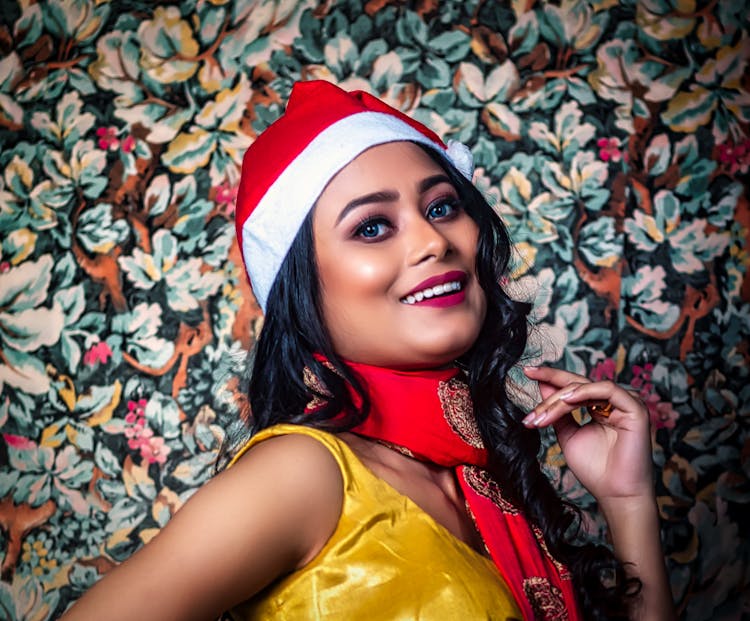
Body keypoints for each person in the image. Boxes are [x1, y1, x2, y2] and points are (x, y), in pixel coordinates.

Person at [62, 80, 674, 620]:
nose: (434, 240)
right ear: (303, 288)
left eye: (441, 207)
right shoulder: (303, 475)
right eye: (372, 227)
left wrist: (628, 502)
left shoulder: (491, 484)